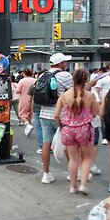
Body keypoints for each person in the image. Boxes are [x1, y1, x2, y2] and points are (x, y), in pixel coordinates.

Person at [55, 70, 99, 195]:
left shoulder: (64, 96)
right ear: (86, 80)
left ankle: (73, 187)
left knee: (73, 159)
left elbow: (56, 115)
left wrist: (61, 127)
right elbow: (96, 112)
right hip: (84, 129)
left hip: (68, 129)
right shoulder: (90, 95)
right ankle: (83, 185)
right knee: (87, 158)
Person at [40, 53, 73, 184]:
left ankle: (46, 174)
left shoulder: (43, 75)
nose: (66, 63)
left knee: (46, 144)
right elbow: (72, 93)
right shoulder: (65, 75)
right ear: (60, 64)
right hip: (61, 115)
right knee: (69, 145)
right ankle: (72, 173)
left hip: (44, 114)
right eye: (65, 61)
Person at [16, 68, 37, 136]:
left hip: (24, 99)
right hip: (34, 100)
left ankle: (28, 125)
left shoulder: (22, 80)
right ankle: (28, 128)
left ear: (24, 73)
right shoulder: (35, 80)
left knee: (22, 114)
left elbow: (17, 91)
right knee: (29, 115)